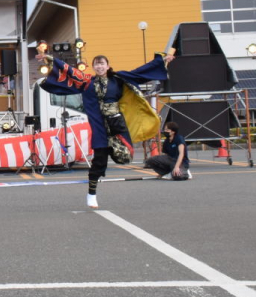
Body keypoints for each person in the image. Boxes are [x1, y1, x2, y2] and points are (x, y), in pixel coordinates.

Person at [39, 46, 174, 209]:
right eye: (96, 64)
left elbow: (140, 72)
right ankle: (91, 195)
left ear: (108, 66)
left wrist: (161, 61)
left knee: (125, 156)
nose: (99, 66)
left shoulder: (118, 78)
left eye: (102, 63)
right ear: (94, 67)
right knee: (99, 162)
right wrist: (52, 60)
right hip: (100, 126)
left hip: (117, 124)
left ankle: (113, 150)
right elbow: (70, 72)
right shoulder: (87, 82)